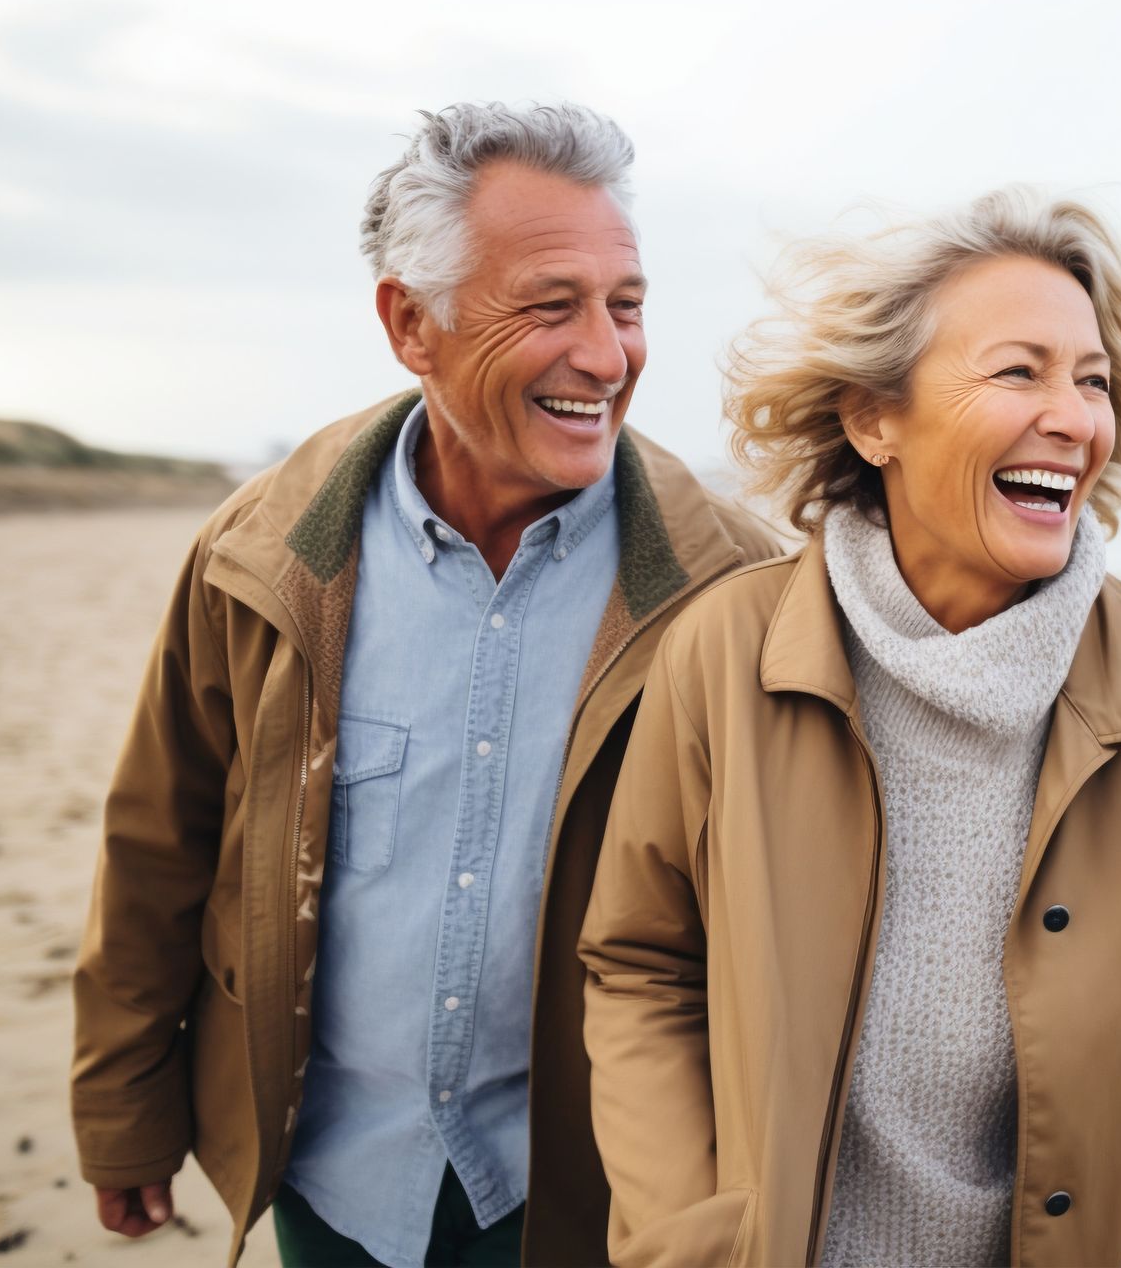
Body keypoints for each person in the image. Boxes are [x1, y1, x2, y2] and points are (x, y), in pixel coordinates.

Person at [69, 101, 783, 1268]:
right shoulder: (259, 556)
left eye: (627, 304)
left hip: (600, 1195)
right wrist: (123, 1108)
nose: (606, 355)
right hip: (334, 1171)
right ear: (412, 322)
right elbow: (160, 841)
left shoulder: (738, 591)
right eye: (551, 305)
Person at [578, 187, 1121, 1266]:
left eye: (1094, 380)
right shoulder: (725, 653)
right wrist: (692, 1237)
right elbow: (642, 965)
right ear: (875, 417)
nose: (1073, 417)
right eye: (1020, 370)